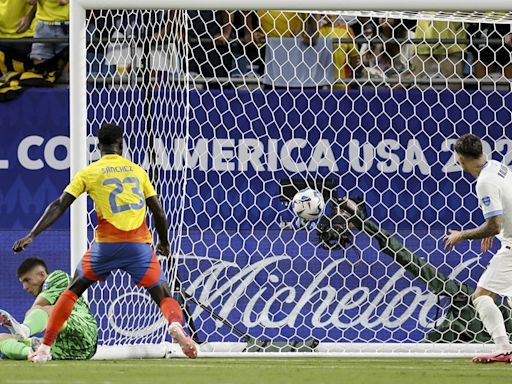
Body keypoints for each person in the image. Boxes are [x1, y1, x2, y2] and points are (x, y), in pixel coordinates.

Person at [12, 123, 197, 363]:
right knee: (162, 293)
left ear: (98, 147)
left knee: (71, 292)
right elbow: (158, 211)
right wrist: (164, 243)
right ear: (121, 145)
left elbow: (59, 204)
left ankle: (45, 348)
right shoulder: (137, 171)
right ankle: (173, 324)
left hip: (105, 246)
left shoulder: (89, 172)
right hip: (138, 246)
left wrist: (32, 235)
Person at [443, 133, 512, 363]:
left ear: (460, 160)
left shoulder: (484, 182)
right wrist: (498, 228)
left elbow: (492, 225)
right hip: (508, 238)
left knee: (481, 296)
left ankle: (504, 349)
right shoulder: (497, 166)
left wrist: (461, 235)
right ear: (482, 151)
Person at [0, 257, 97, 360]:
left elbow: (36, 309)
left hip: (83, 330)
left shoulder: (57, 277)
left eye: (27, 280)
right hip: (66, 349)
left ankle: (24, 330)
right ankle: (31, 353)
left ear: (41, 274)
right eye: (22, 282)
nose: (25, 287)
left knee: (52, 310)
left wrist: (23, 330)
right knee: (2, 338)